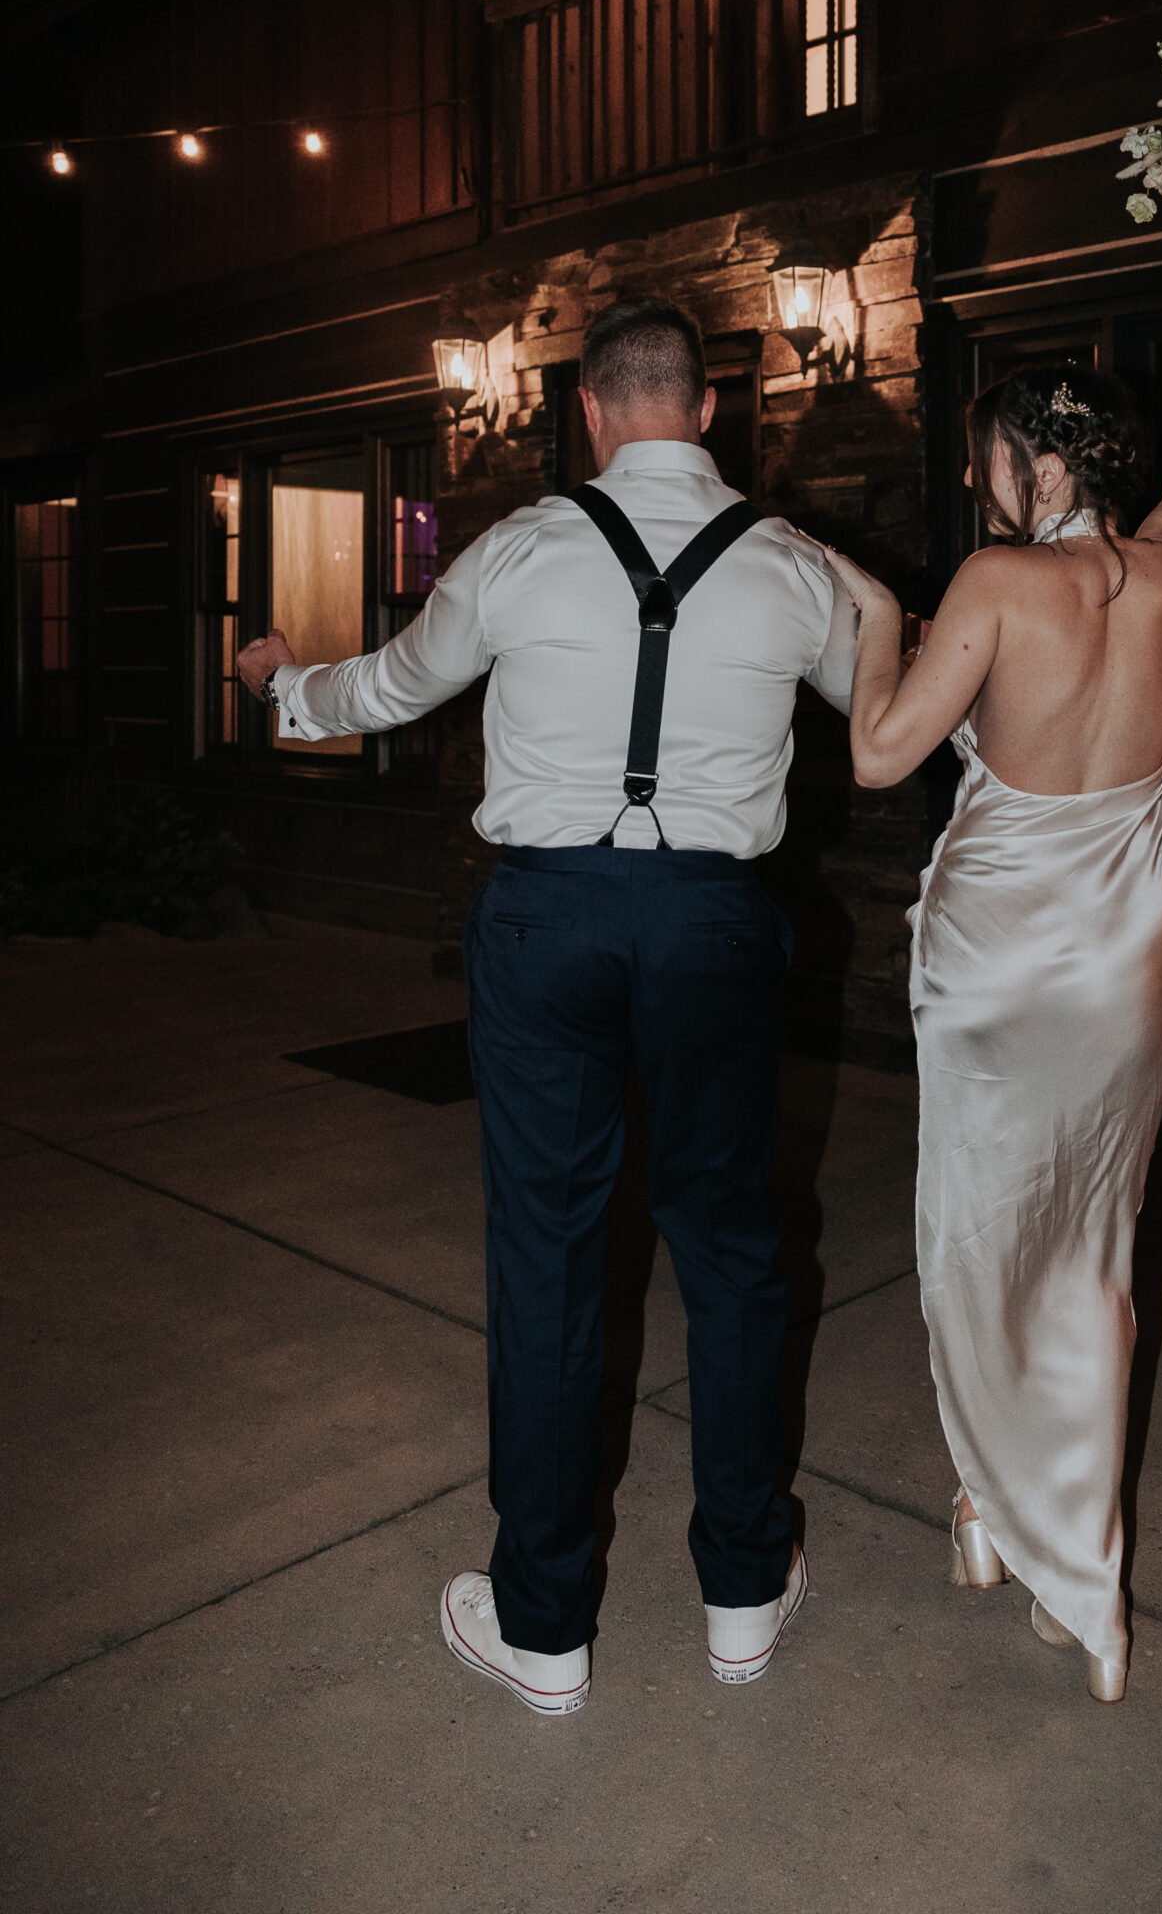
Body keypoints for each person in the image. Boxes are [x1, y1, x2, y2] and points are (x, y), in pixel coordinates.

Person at [237, 297, 856, 1717]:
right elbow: (898, 702)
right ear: (707, 412)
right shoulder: (790, 564)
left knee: (551, 1259)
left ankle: (545, 1630)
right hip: (713, 924)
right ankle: (746, 1597)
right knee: (733, 1246)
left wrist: (283, 688)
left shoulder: (517, 550)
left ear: (586, 410)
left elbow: (391, 687)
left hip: (547, 920)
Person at [821, 220, 1162, 1704]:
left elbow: (884, 755)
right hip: (1130, 965)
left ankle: (1001, 1518)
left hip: (1002, 972)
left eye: (985, 463)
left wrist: (883, 619)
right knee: (1091, 1250)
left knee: (977, 1245)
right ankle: (1050, 1559)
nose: (976, 484)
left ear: (1037, 466)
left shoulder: (998, 584)